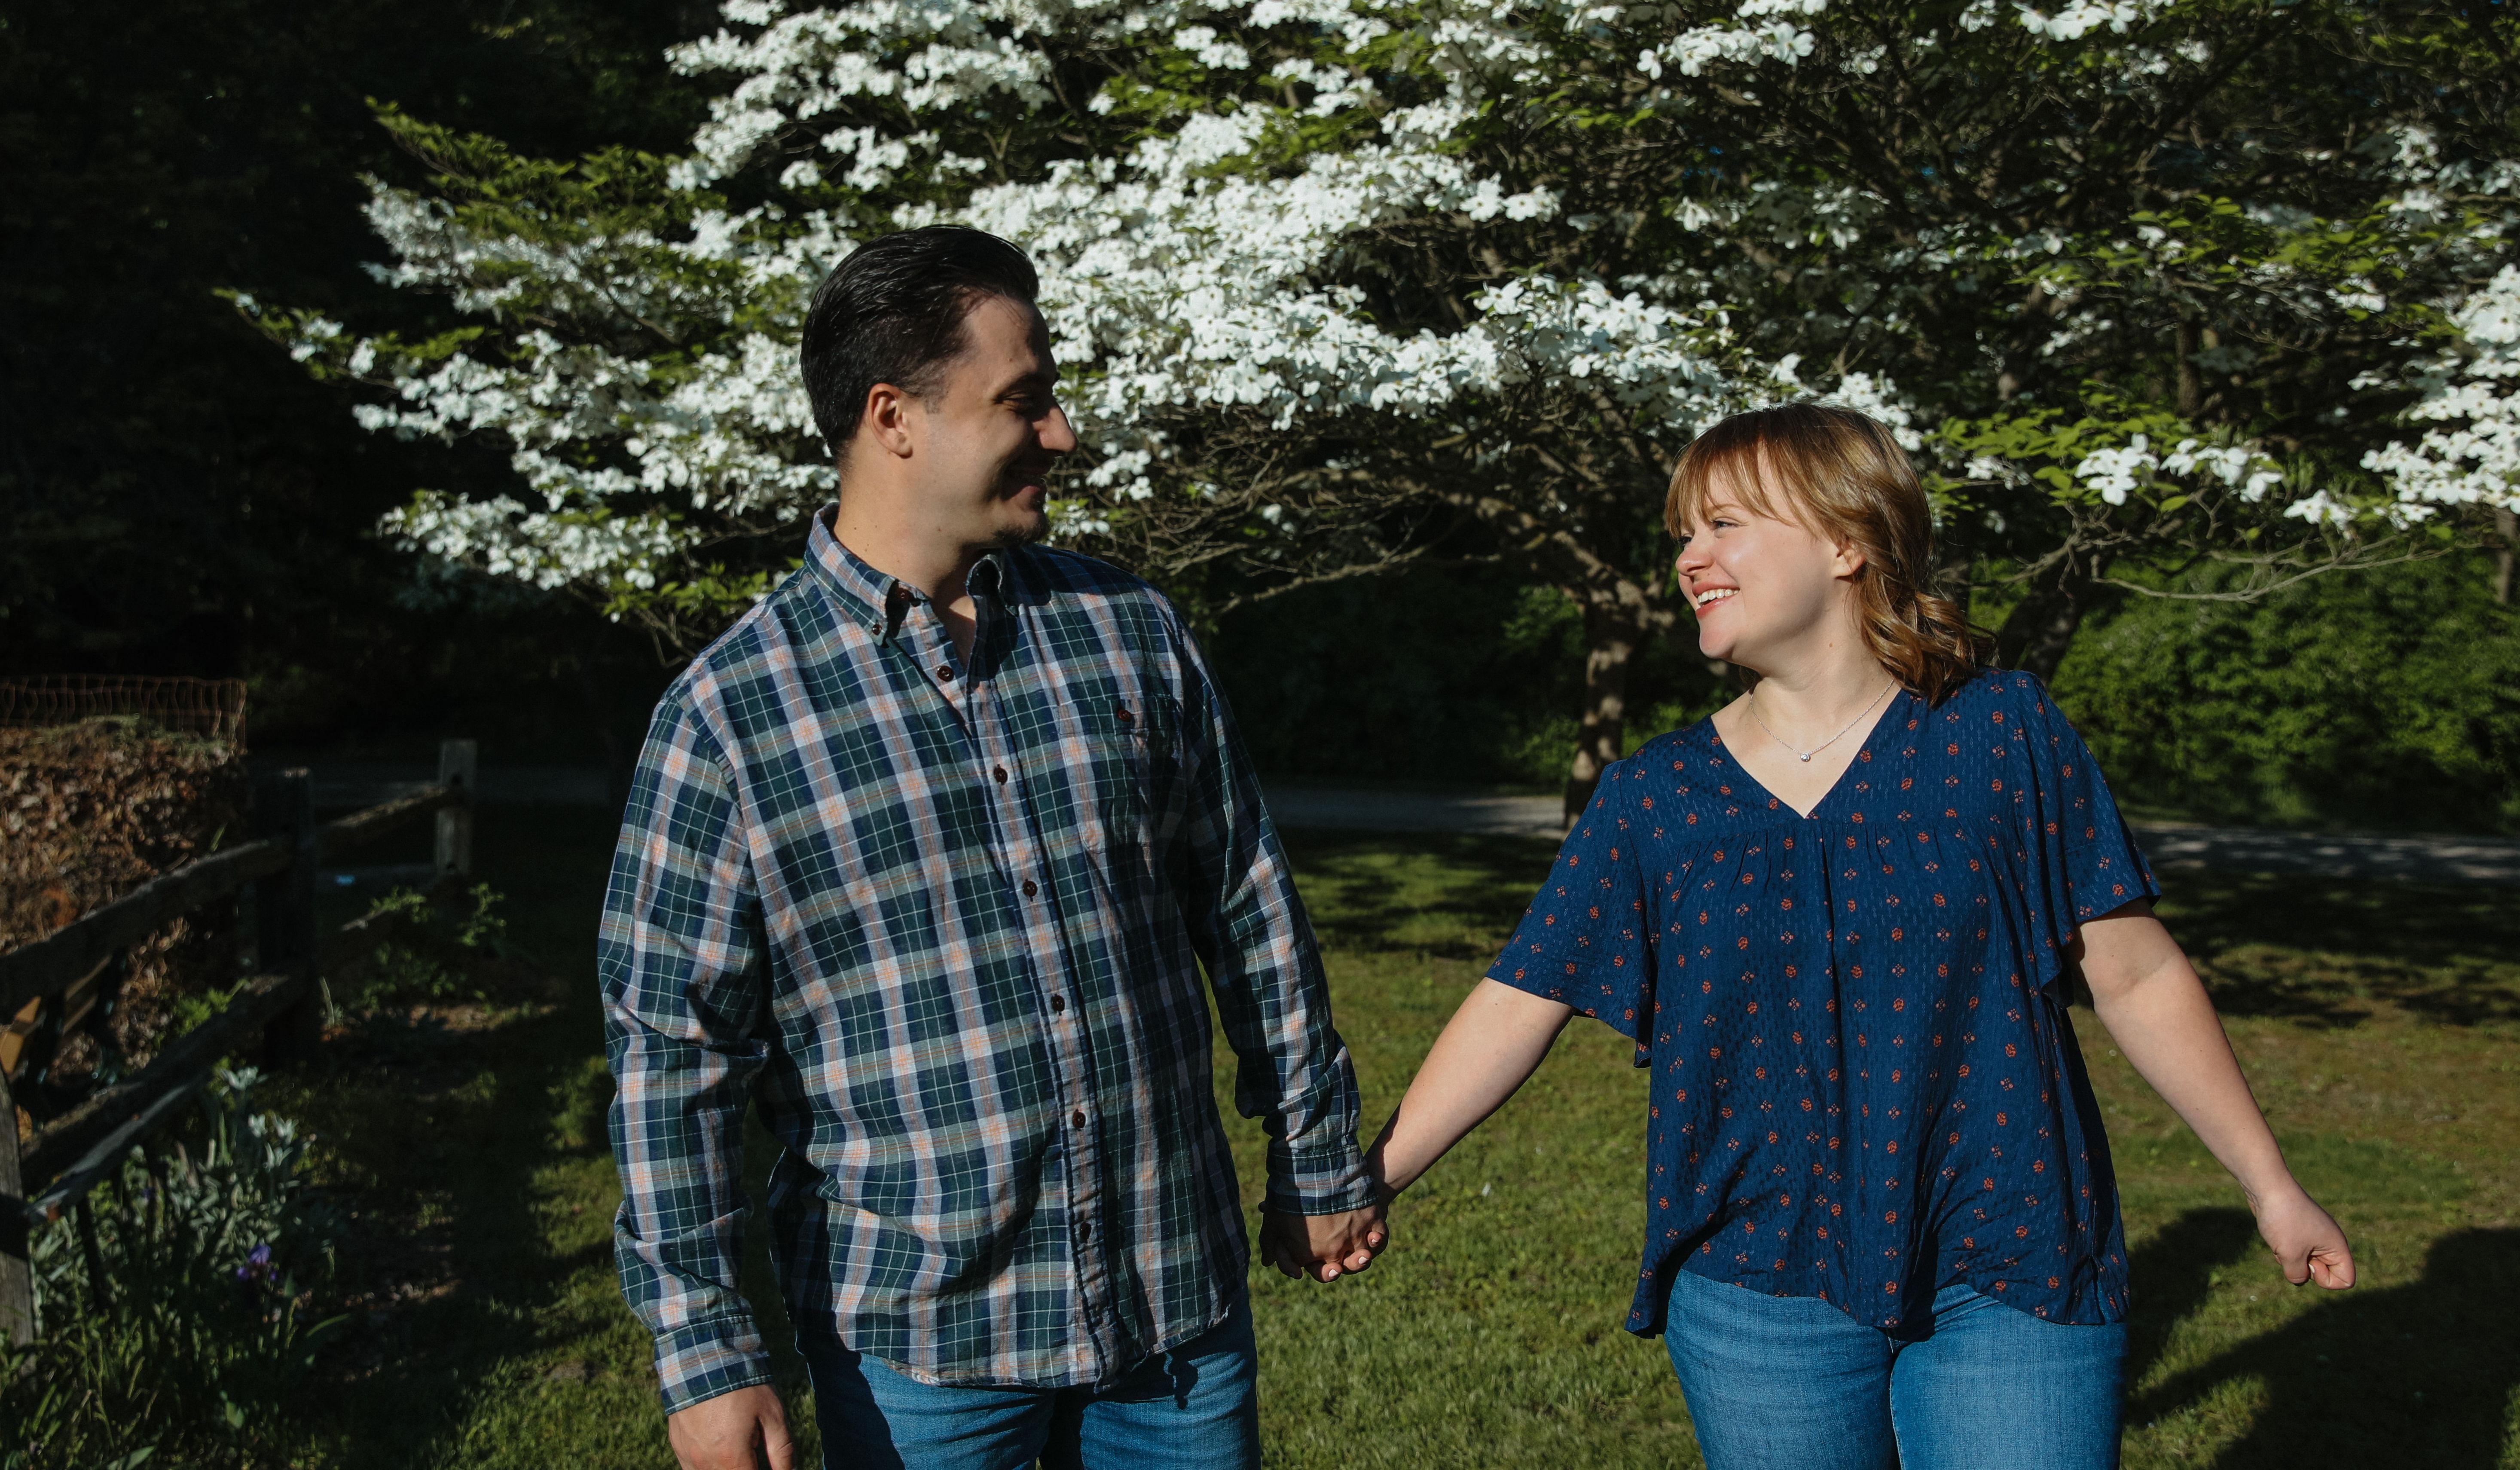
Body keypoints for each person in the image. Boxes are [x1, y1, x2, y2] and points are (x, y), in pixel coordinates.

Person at [1359, 403, 2354, 1470]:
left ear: (1846, 540)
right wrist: (1366, 1181)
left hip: (2009, 1259)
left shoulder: (2000, 734)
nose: (1689, 559)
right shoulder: (1655, 797)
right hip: (1755, 1285)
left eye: (1723, 524)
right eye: (1683, 534)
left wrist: (2269, 1184)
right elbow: (1523, 994)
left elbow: (2135, 974)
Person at [598, 225, 1386, 1470]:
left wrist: (1316, 1150)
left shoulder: (1129, 632)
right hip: (920, 1356)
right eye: (1024, 400)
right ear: (893, 417)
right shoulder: (727, 717)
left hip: (1173, 1317)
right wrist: (706, 1348)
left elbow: (1248, 904)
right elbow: (670, 1059)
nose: (1061, 432)